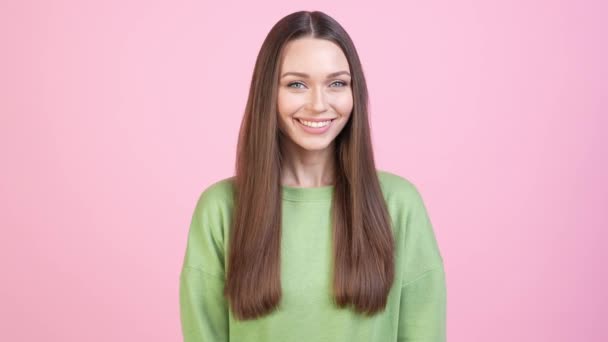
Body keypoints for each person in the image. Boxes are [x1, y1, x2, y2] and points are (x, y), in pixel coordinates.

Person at [179, 10, 446, 342]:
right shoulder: (220, 209)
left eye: (336, 83)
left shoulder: (398, 204)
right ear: (268, 94)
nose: (319, 104)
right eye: (296, 84)